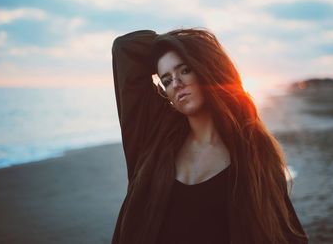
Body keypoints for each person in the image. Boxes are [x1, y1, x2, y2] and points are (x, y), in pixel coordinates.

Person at [111, 28, 308, 244]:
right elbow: (125, 49)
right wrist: (168, 43)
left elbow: (284, 231)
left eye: (185, 70)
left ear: (206, 70)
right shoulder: (156, 138)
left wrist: (185, 46)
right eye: (166, 80)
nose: (176, 83)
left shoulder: (253, 154)